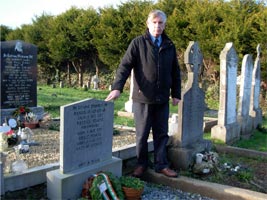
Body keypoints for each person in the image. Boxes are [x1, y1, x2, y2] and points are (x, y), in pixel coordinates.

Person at [105, 10, 181, 178]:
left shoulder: (169, 44)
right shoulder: (138, 43)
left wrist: (176, 93)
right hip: (143, 97)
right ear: (148, 24)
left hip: (162, 98)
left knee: (162, 133)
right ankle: (141, 164)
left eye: (161, 23)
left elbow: (175, 71)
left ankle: (161, 164)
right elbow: (124, 66)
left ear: (164, 25)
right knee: (142, 134)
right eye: (154, 22)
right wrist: (117, 87)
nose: (157, 26)